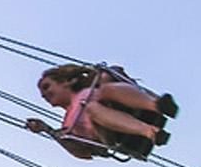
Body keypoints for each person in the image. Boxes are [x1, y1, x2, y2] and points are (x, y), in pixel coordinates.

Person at [23, 64, 175, 160]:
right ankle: (150, 132)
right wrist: (48, 130)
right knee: (92, 108)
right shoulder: (67, 124)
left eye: (47, 87)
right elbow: (83, 154)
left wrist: (102, 73)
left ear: (66, 82)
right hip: (109, 134)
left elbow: (116, 73)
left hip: (124, 106)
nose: (44, 95)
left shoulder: (90, 86)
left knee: (105, 87)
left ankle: (156, 105)